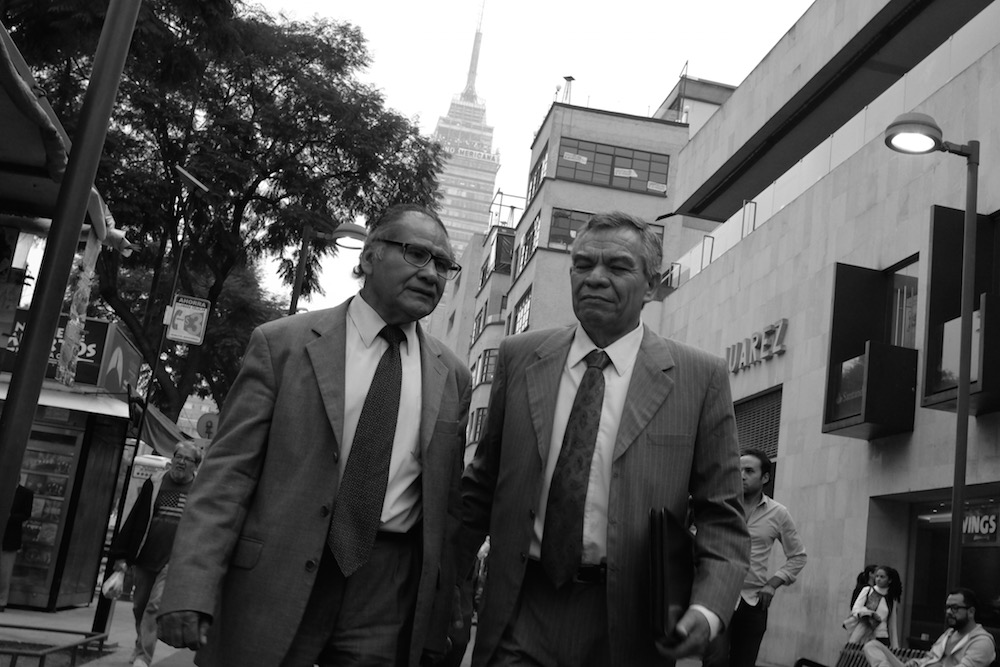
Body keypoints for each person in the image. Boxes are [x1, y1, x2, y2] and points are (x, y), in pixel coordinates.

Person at [157, 204, 472, 667]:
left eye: (443, 265)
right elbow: (228, 476)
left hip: (386, 595)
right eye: (417, 254)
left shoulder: (453, 376)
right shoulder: (281, 345)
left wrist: (448, 610)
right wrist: (189, 585)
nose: (432, 274)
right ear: (368, 257)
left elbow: (448, 509)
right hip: (276, 577)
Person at [461, 211, 750, 666]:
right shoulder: (519, 359)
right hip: (520, 609)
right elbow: (481, 486)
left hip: (631, 627)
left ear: (651, 286)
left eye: (617, 267)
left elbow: (722, 516)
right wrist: (447, 586)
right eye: (583, 265)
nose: (595, 278)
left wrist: (708, 609)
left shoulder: (700, 377)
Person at [704, 448, 807, 667]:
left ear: (765, 477)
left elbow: (798, 556)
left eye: (749, 471)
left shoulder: (778, 513)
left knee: (744, 663)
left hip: (754, 602)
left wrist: (773, 583)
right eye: (738, 470)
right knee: (715, 661)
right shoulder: (721, 506)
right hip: (718, 597)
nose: (741, 475)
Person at [109, 442, 202, 667]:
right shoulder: (155, 483)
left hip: (173, 561)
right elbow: (136, 517)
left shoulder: (200, 490)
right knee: (139, 606)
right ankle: (141, 643)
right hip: (145, 556)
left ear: (195, 465)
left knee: (154, 606)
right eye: (177, 456)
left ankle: (143, 657)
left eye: (186, 459)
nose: (180, 461)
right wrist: (121, 556)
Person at [863, 588, 996, 667]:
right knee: (872, 645)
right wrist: (916, 662)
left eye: (954, 608)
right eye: (947, 607)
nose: (949, 612)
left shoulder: (982, 642)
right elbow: (931, 657)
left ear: (971, 612)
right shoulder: (949, 634)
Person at [848, 566, 902, 647]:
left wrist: (895, 647)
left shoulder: (891, 599)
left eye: (882, 577)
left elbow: (892, 624)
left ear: (889, 580)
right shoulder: (868, 591)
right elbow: (855, 609)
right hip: (865, 635)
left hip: (883, 637)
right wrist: (867, 613)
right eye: (877, 576)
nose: (878, 579)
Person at [0, 483, 33, 611]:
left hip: (10, 536)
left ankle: (2, 601)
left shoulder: (26, 493)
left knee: (4, 571)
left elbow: (26, 514)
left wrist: (11, 517)